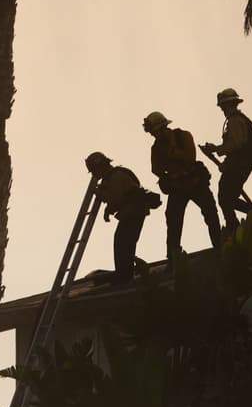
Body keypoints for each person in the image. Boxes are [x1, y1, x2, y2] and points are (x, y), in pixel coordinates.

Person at [144, 110, 222, 266]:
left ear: (162, 128)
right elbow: (156, 169)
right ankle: (173, 258)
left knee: (210, 214)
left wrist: (173, 152)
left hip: (195, 182)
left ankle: (220, 247)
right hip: (177, 187)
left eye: (154, 132)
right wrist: (169, 176)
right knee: (173, 221)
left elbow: (190, 158)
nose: (154, 136)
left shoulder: (183, 136)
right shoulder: (156, 148)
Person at [84, 152, 157, 284]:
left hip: (133, 213)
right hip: (132, 212)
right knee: (124, 242)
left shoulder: (116, 176)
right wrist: (108, 209)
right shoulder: (112, 177)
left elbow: (117, 198)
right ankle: (125, 272)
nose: (95, 175)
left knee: (123, 242)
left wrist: (101, 194)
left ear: (100, 167)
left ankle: (124, 275)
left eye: (95, 171)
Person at [201, 87, 252, 232]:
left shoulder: (235, 120)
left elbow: (236, 144)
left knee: (225, 199)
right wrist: (224, 162)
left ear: (228, 105)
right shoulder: (237, 120)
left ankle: (238, 227)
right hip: (238, 165)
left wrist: (216, 149)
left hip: (240, 165)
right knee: (228, 199)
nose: (222, 109)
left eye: (223, 106)